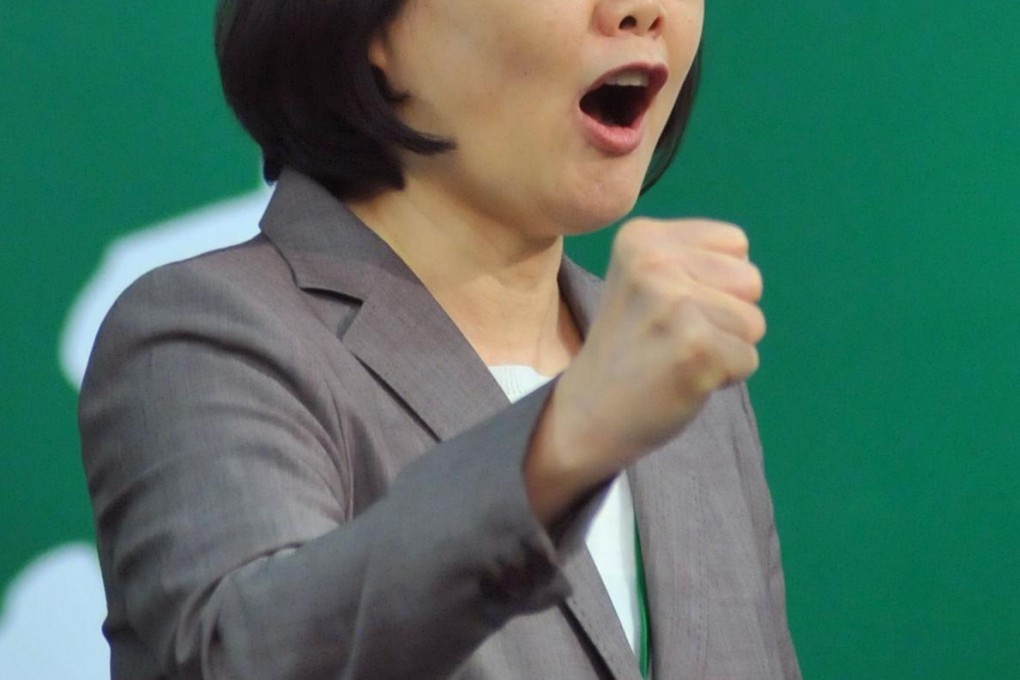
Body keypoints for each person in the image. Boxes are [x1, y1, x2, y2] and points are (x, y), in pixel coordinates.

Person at [79, 0, 801, 678]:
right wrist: (568, 438)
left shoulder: (683, 380)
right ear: (373, 27)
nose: (637, 10)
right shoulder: (208, 331)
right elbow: (249, 655)